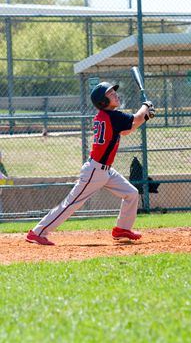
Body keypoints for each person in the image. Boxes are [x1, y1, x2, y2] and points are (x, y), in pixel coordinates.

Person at [25, 82, 155, 245]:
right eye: (111, 94)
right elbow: (135, 119)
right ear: (103, 102)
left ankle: (122, 228)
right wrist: (145, 107)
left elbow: (127, 129)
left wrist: (146, 116)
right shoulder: (112, 116)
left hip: (105, 170)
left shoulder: (107, 116)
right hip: (95, 171)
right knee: (71, 203)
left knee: (131, 193)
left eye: (114, 93)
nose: (115, 95)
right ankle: (37, 232)